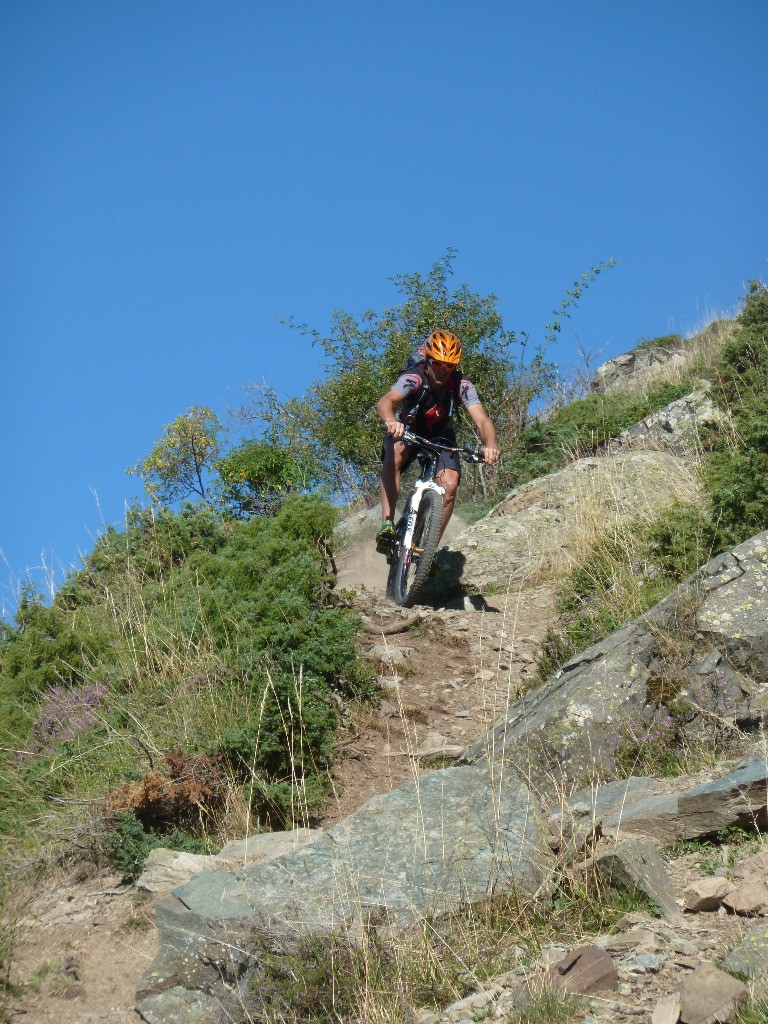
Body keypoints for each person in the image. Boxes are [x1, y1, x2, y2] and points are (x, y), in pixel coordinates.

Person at [374, 329, 500, 554]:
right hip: (407, 429)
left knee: (450, 485)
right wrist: (391, 420)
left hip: (441, 437)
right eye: (437, 364)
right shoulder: (414, 377)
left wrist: (491, 445)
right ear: (428, 360)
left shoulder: (462, 385)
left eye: (449, 366)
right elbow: (386, 401)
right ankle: (387, 523)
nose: (443, 370)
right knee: (395, 452)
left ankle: (428, 551)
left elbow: (482, 420)